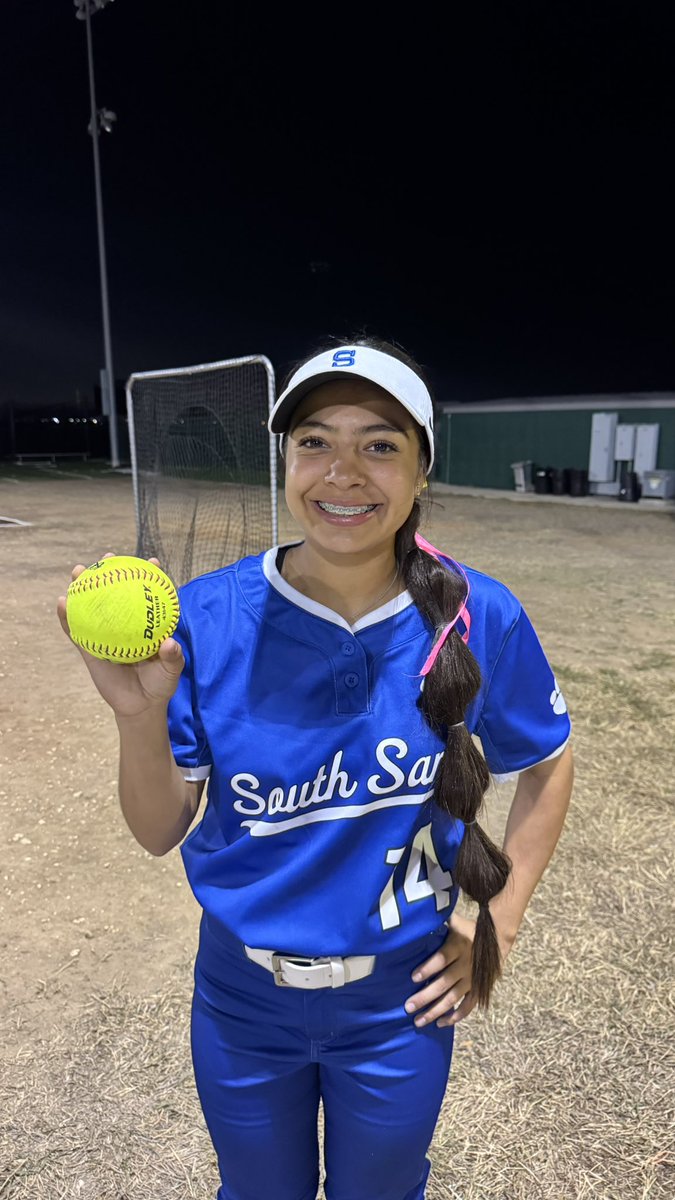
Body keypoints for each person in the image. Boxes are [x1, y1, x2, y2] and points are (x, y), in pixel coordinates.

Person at [58, 334, 574, 1200]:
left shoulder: (479, 613)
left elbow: (547, 765)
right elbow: (156, 831)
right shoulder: (206, 617)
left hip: (397, 1002)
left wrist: (499, 922)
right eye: (314, 442)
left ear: (419, 474)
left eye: (378, 444)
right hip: (242, 998)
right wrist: (140, 714)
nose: (342, 471)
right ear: (284, 462)